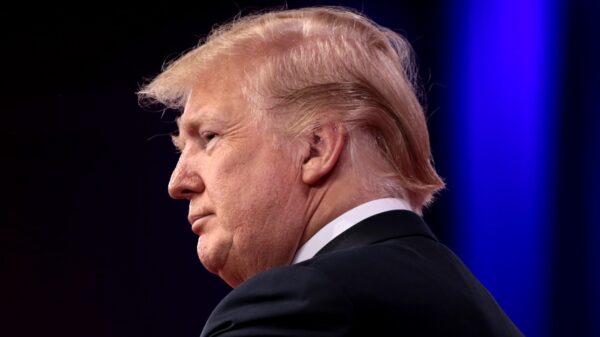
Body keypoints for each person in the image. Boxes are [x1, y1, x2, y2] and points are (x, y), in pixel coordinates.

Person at [138, 6, 523, 337]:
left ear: (316, 148)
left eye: (209, 137)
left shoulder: (302, 304)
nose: (178, 183)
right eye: (180, 148)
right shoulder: (470, 303)